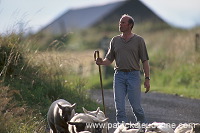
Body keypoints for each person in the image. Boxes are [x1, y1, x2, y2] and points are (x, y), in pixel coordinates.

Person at [95, 14, 150, 124]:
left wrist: (147, 79)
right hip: (119, 75)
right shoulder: (115, 40)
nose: (120, 24)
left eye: (123, 23)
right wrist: (101, 62)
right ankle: (122, 129)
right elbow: (109, 59)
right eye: (120, 22)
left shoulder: (139, 40)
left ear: (130, 25)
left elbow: (145, 61)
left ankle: (143, 127)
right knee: (119, 108)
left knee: (136, 108)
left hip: (133, 75)